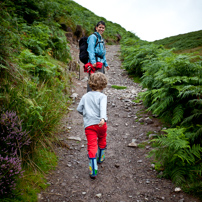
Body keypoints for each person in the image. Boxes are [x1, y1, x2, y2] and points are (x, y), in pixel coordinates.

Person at [77, 72, 108, 179]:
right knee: (102, 138)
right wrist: (102, 118)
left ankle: (93, 169)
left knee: (92, 144)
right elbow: (103, 108)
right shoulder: (103, 96)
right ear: (104, 84)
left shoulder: (85, 96)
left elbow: (79, 109)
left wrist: (86, 115)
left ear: (90, 83)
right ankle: (101, 157)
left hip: (89, 125)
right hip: (101, 124)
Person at [86, 21, 110, 92]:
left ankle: (99, 98)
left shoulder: (101, 39)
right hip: (94, 63)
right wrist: (93, 62)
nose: (101, 29)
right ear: (96, 28)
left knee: (100, 81)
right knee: (92, 80)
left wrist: (106, 64)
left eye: (103, 28)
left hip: (100, 63)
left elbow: (103, 53)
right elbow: (90, 50)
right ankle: (89, 98)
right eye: (100, 27)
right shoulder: (93, 37)